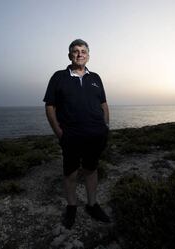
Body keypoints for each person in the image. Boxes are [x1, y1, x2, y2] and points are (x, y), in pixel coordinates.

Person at [43, 39, 110, 229]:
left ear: (88, 55)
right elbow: (50, 107)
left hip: (96, 135)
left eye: (83, 51)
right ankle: (71, 207)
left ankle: (92, 205)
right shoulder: (58, 77)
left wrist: (105, 126)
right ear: (69, 55)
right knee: (70, 173)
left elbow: (104, 104)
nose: (79, 54)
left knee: (91, 169)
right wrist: (59, 133)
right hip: (71, 136)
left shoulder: (96, 77)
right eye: (75, 51)